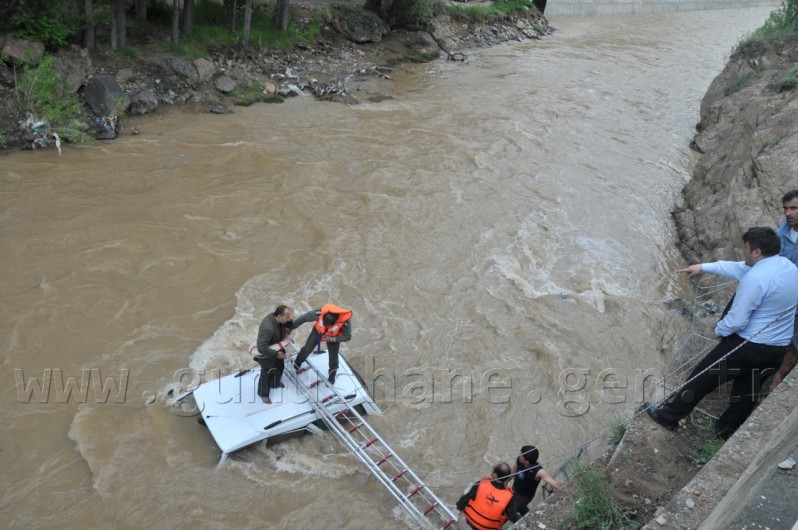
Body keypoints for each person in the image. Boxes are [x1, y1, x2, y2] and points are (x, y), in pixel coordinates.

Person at [645, 227, 798, 439]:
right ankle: (725, 433)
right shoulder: (788, 267)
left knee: (701, 378)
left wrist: (719, 329)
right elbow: (737, 268)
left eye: (746, 249)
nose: (743, 253)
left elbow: (737, 320)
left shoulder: (756, 278)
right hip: (777, 349)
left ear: (757, 252)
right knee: (746, 393)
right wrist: (703, 267)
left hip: (747, 346)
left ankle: (668, 417)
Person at [772, 189, 798, 388]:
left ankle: (777, 379)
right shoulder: (785, 229)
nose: (788, 213)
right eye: (786, 209)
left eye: (794, 208)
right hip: (782, 295)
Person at [291, 303, 352, 385]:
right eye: (324, 325)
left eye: (327, 326)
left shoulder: (345, 323)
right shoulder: (319, 313)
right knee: (307, 349)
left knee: (333, 359)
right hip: (318, 331)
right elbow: (304, 318)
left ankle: (332, 376)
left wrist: (331, 339)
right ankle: (297, 363)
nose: (326, 327)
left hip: (333, 337)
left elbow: (348, 337)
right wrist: (291, 327)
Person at [455, 462, 520, 530]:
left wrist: (459, 507)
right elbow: (512, 516)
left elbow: (464, 499)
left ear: (495, 475)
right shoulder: (508, 496)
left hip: (468, 524)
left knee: (462, 518)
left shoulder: (482, 484)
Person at [253, 305, 294, 404]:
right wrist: (275, 354)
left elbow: (289, 325)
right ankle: (263, 394)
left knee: (280, 367)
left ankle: (275, 384)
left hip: (278, 347)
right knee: (266, 373)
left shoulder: (279, 320)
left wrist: (290, 323)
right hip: (267, 353)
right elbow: (261, 347)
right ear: (279, 316)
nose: (289, 319)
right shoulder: (268, 328)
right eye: (287, 317)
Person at [511, 445, 562, 516]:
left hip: (523, 497)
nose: (519, 455)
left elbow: (553, 483)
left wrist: (567, 491)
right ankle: (524, 510)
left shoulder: (538, 471)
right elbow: (515, 468)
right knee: (513, 504)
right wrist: (505, 482)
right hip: (514, 490)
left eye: (521, 455)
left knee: (512, 510)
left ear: (527, 461)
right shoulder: (520, 460)